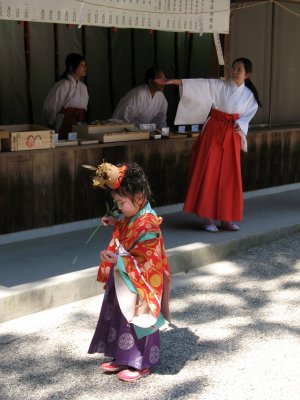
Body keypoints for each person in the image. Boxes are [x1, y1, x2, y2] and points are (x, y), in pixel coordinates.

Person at [155, 57, 261, 232]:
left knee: (229, 177)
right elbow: (199, 85)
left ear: (247, 75)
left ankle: (227, 217)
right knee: (209, 172)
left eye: (239, 69)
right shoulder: (219, 85)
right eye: (233, 68)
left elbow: (249, 113)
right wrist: (172, 81)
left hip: (231, 134)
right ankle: (208, 218)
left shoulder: (249, 96)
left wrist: (241, 124)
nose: (234, 72)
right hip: (214, 131)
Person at [87, 162, 170, 382]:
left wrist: (121, 260)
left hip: (140, 281)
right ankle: (122, 356)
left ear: (139, 197)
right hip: (125, 274)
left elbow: (146, 259)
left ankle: (141, 363)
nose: (120, 207)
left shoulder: (148, 224)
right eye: (117, 203)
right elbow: (127, 229)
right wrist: (116, 221)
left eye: (121, 203)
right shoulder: (135, 217)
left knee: (139, 317)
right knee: (119, 315)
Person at [43, 53, 89, 139]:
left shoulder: (83, 87)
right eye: (81, 65)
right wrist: (52, 125)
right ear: (71, 68)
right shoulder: (62, 85)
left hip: (78, 126)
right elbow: (49, 107)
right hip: (62, 126)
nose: (84, 68)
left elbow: (84, 109)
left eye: (85, 65)